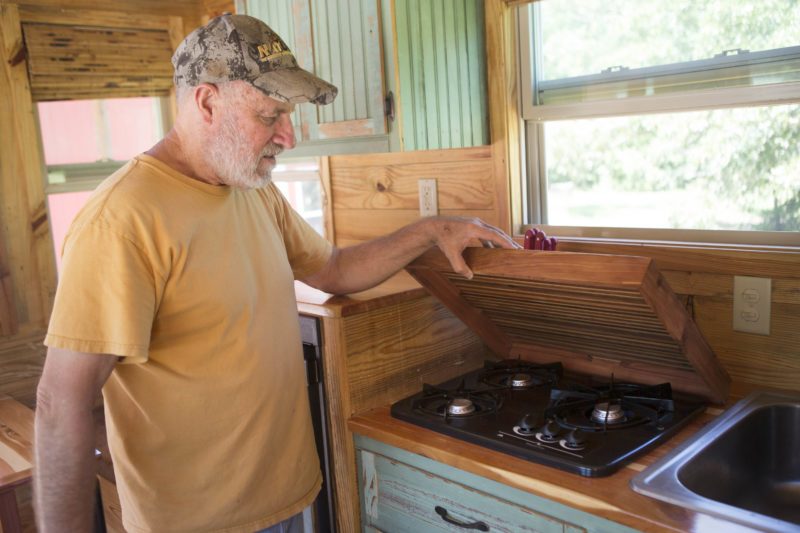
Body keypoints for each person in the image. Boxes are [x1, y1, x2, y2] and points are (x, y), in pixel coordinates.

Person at [33, 14, 519, 533]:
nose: (288, 136)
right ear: (207, 103)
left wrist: (429, 231)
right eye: (270, 115)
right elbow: (62, 406)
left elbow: (333, 268)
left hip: (289, 498)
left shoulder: (252, 188)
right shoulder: (121, 220)